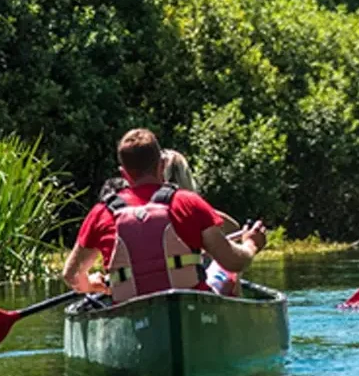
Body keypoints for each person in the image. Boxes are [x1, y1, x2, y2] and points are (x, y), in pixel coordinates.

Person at [62, 129, 267, 301]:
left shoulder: (101, 213)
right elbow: (233, 262)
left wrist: (91, 285)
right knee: (229, 274)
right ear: (161, 165)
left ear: (123, 173)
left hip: (131, 311)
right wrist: (250, 244)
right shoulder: (188, 203)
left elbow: (71, 275)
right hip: (191, 307)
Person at [161, 148, 246, 296]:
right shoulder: (194, 207)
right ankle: (236, 309)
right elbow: (233, 228)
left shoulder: (144, 212)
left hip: (157, 285)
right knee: (233, 264)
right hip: (194, 285)